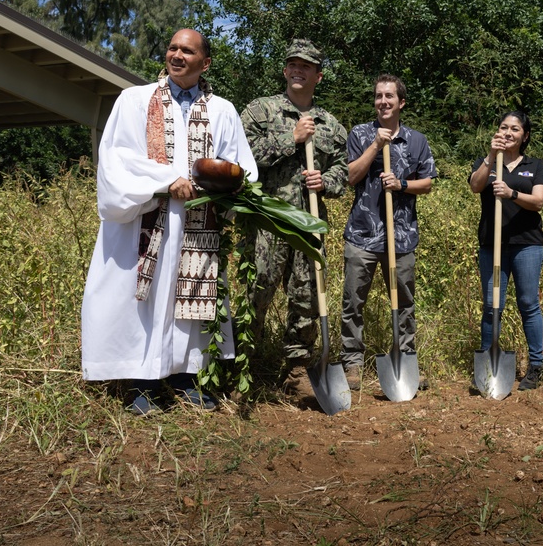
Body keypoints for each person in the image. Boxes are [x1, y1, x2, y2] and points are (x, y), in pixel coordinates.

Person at [81, 29, 258, 415]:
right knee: (142, 300)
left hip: (198, 225)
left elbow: (241, 166)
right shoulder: (135, 100)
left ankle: (186, 379)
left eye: (187, 51)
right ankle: (141, 384)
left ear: (205, 63)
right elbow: (116, 159)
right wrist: (165, 180)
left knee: (191, 301)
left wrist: (223, 184)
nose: (176, 55)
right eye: (173, 48)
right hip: (145, 220)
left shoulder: (222, 110)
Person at [240, 39, 348, 394]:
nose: (298, 70)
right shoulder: (260, 111)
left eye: (307, 66)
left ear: (318, 75)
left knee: (307, 295)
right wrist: (292, 137)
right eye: (293, 65)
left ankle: (297, 369)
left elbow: (342, 170)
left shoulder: (330, 125)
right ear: (285, 71)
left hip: (309, 223)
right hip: (266, 221)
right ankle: (241, 365)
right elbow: (242, 158)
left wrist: (326, 180)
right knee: (257, 290)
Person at [340, 74, 437, 390]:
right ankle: (352, 364)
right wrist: (376, 145)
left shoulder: (417, 140)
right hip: (363, 234)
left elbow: (428, 182)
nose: (383, 101)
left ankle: (405, 360)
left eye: (389, 96)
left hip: (402, 236)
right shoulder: (359, 133)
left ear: (401, 102)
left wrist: (402, 184)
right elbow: (351, 176)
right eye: (379, 96)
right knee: (354, 302)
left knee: (404, 302)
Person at [469, 111, 543, 390]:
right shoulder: (488, 162)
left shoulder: (535, 165)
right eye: (503, 127)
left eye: (515, 129)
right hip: (492, 244)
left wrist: (512, 194)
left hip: (526, 243)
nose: (508, 132)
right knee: (493, 306)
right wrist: (491, 157)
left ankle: (536, 366)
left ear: (524, 135)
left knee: (528, 303)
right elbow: (475, 185)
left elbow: (538, 201)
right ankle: (487, 363)